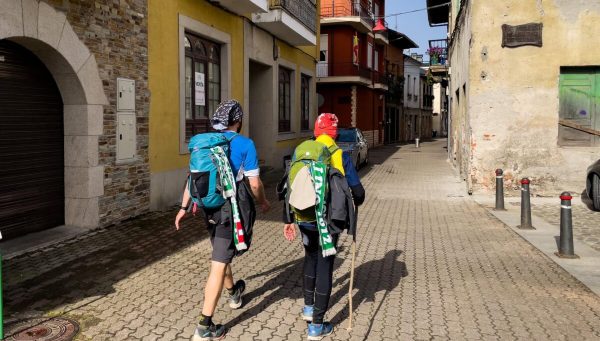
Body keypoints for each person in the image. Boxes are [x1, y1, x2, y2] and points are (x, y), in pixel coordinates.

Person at [175, 99, 270, 341]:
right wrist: (263, 202)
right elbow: (255, 183)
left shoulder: (205, 143)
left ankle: (233, 292)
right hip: (230, 209)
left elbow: (192, 177)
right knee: (218, 264)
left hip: (208, 207)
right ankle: (204, 327)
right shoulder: (245, 144)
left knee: (221, 253)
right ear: (238, 121)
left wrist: (183, 207)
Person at [282, 113, 365, 340]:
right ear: (334, 133)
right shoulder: (340, 154)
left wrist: (288, 219)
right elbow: (358, 192)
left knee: (309, 258)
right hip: (328, 221)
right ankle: (317, 326)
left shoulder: (302, 151)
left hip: (304, 218)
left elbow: (288, 185)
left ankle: (308, 309)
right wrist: (355, 199)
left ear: (317, 132)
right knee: (325, 266)